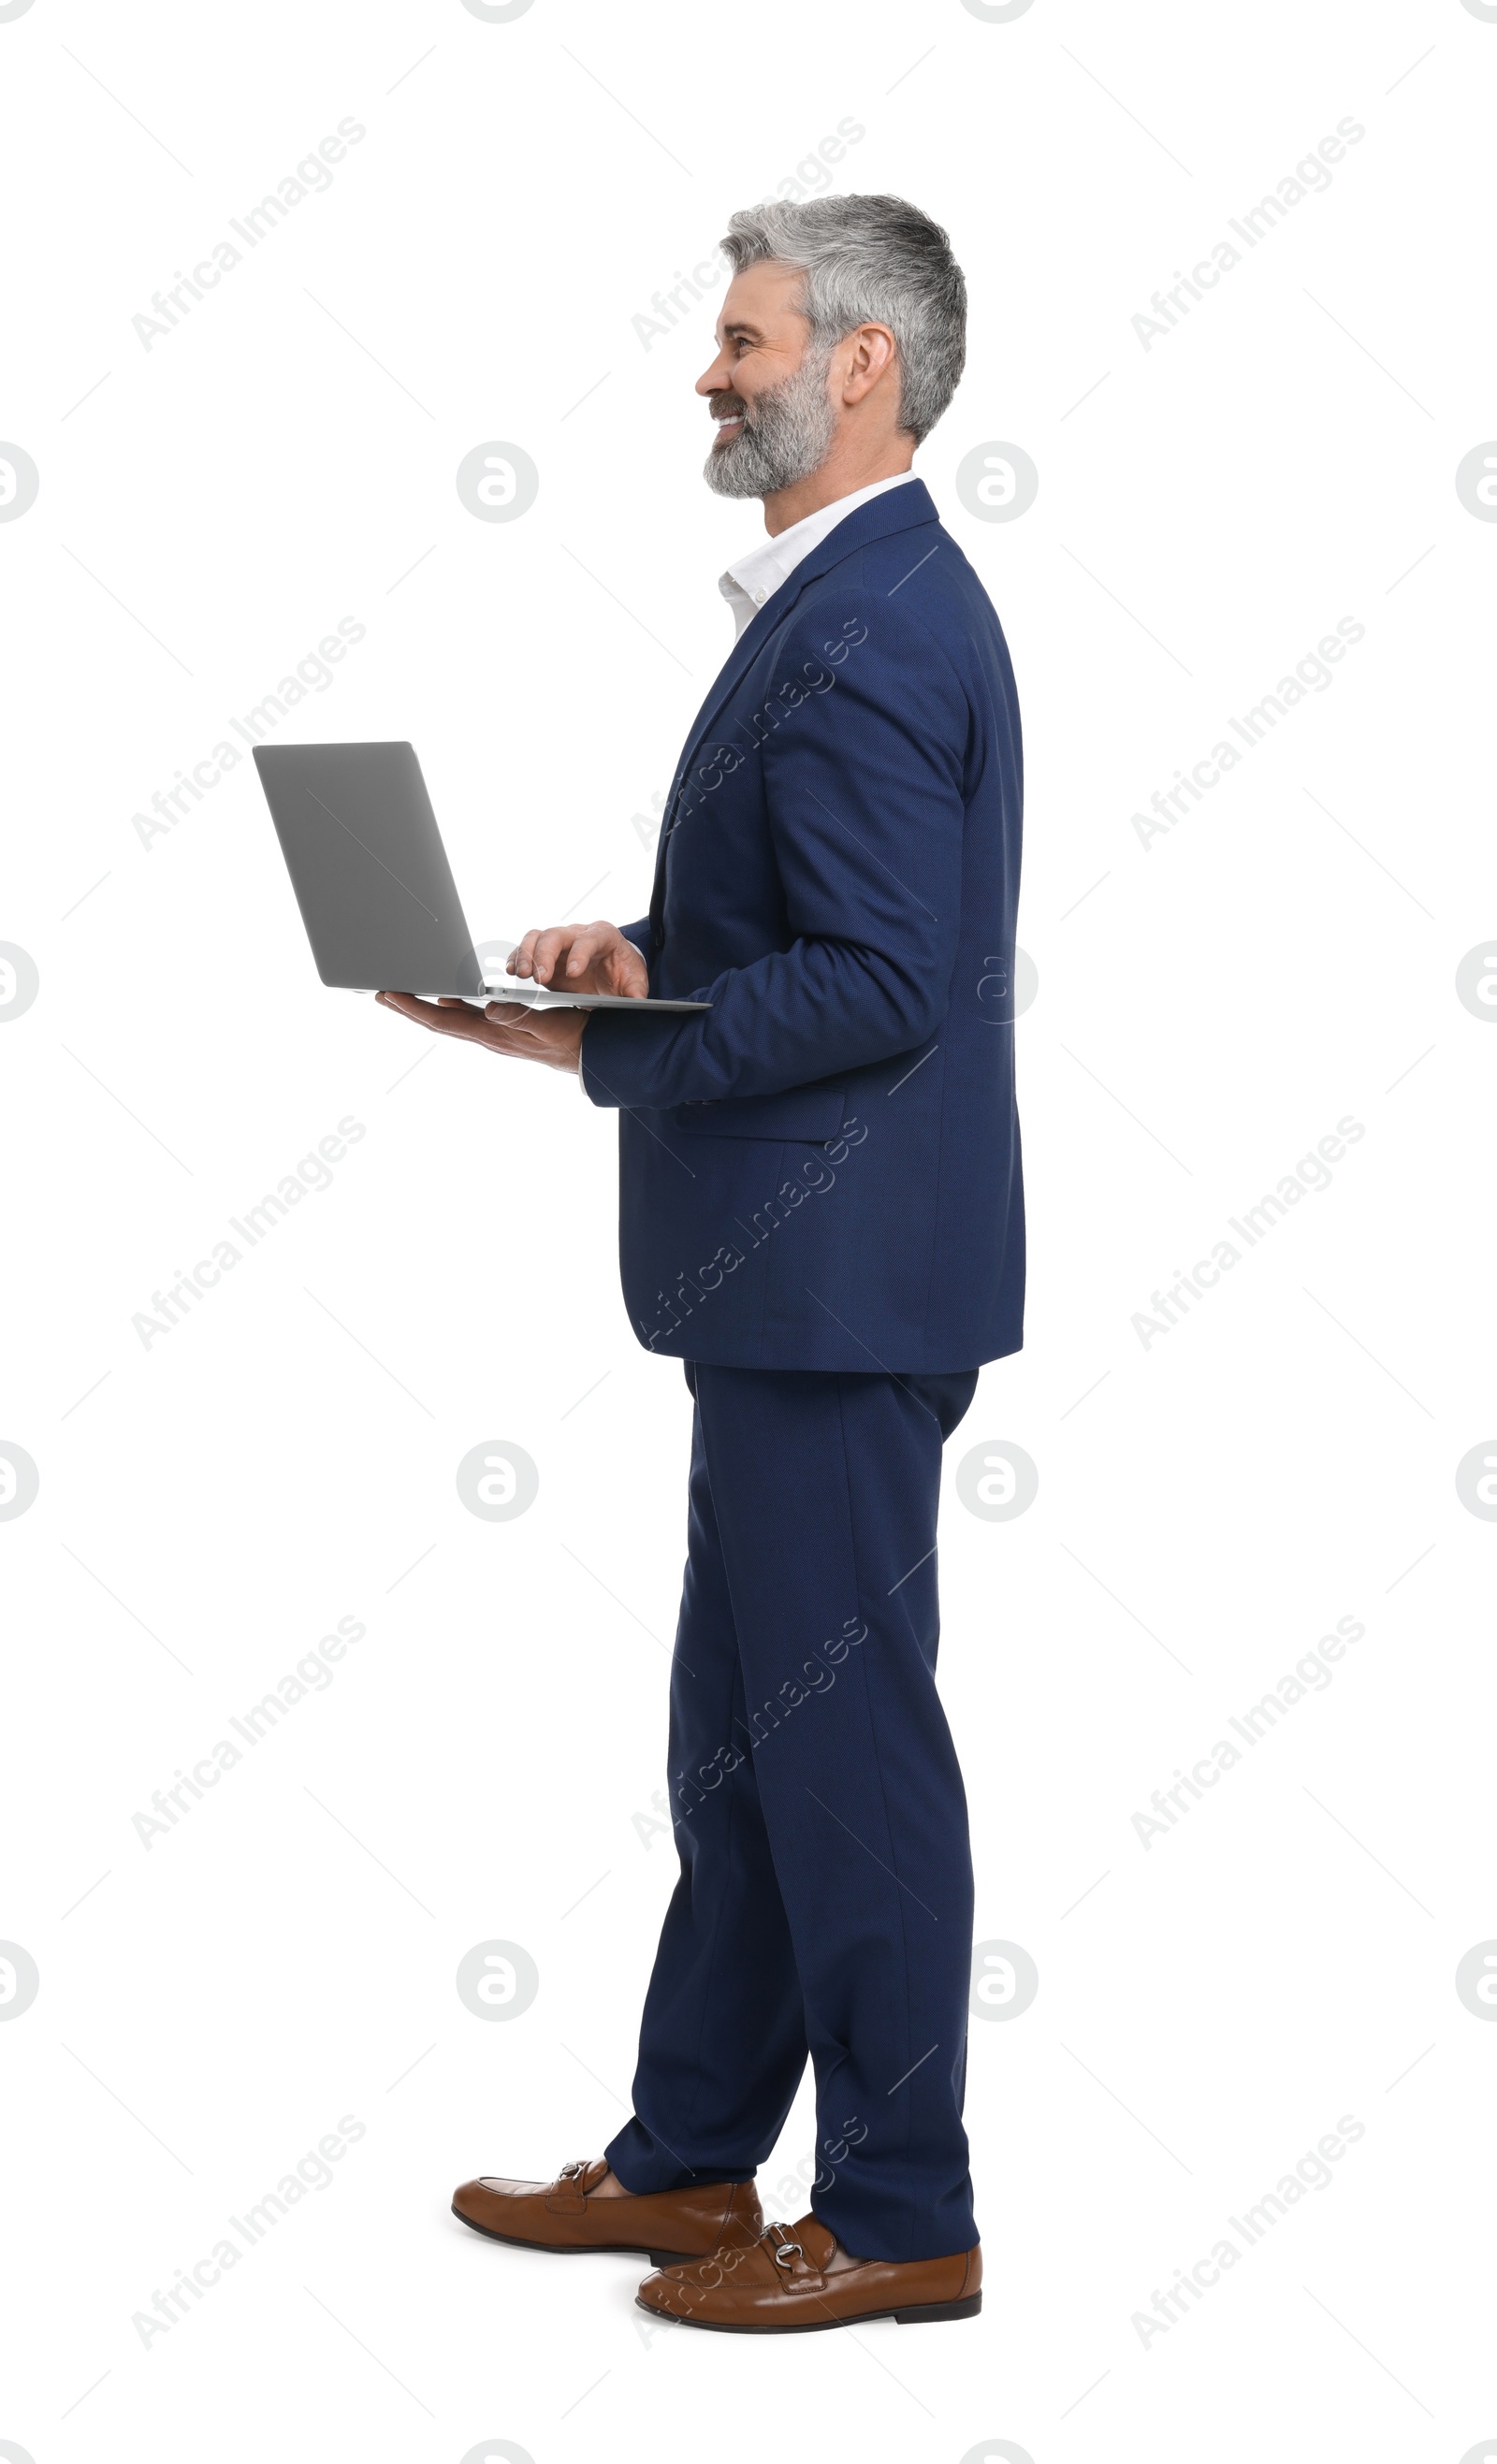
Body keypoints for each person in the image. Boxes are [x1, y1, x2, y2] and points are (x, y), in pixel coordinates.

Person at [378, 192, 1025, 2334]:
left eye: (745, 336)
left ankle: (901, 2204)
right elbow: (813, 943)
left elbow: (880, 981)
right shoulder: (838, 604)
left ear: (860, 364)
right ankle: (685, 2164)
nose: (710, 367)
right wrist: (643, 961)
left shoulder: (865, 619)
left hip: (835, 1285)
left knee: (840, 1754)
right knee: (743, 1745)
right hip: (789, 1281)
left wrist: (594, 1045)